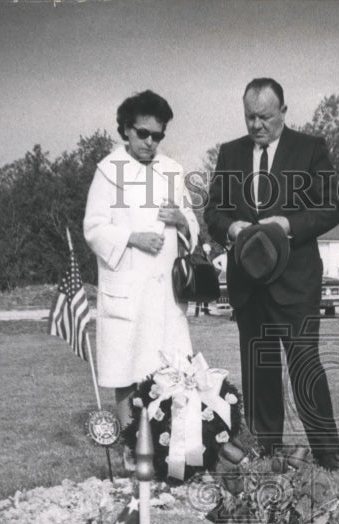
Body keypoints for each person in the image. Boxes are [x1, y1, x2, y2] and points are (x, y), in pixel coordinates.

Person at [204, 77, 339, 469]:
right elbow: (213, 211)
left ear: (283, 111)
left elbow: (331, 208)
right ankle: (267, 449)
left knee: (304, 363)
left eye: (264, 117)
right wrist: (229, 228)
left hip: (296, 283)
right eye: (249, 117)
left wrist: (289, 224)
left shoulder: (310, 149)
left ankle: (327, 453)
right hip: (248, 284)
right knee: (258, 365)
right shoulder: (230, 153)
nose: (256, 125)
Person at [83, 90, 199, 469]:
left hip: (166, 293)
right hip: (127, 289)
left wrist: (181, 221)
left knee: (174, 369)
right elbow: (94, 228)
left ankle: (175, 450)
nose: (151, 142)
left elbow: (192, 225)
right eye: (143, 133)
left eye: (158, 135)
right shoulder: (107, 170)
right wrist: (132, 238)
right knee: (127, 369)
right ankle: (134, 451)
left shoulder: (173, 170)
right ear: (125, 131)